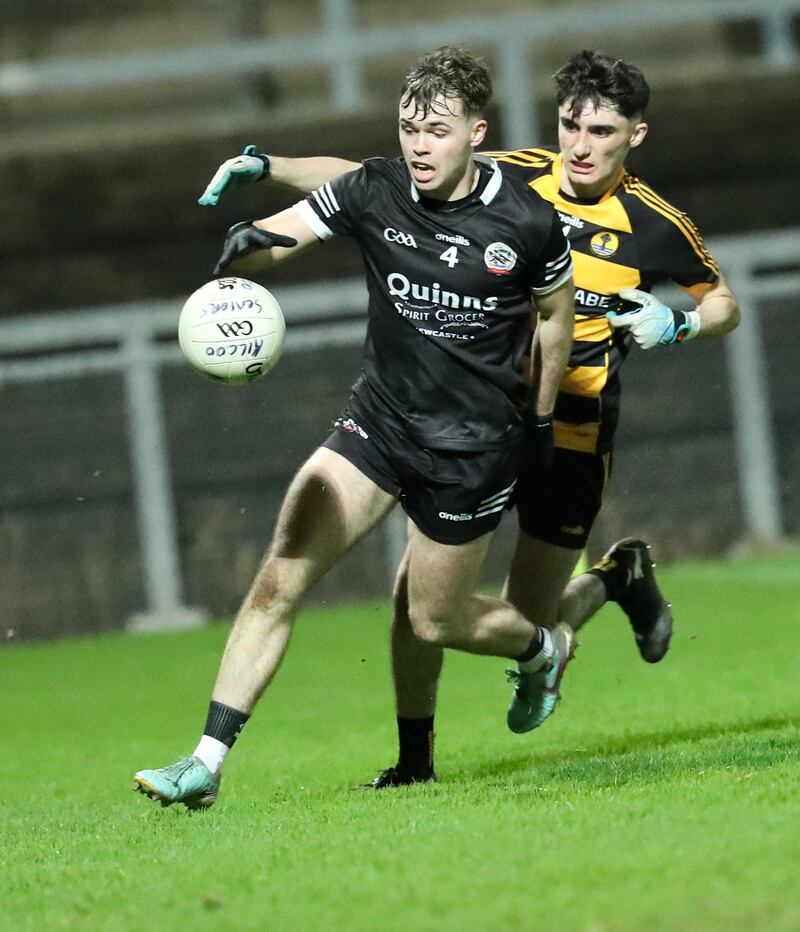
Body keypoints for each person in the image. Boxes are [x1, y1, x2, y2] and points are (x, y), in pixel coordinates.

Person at [196, 49, 741, 787]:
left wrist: (677, 325)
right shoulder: (512, 174)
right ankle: (415, 760)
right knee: (417, 598)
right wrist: (269, 167)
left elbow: (723, 303)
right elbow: (359, 181)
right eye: (570, 125)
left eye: (602, 132)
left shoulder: (655, 223)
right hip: (482, 418)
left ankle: (615, 578)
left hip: (571, 434)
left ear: (634, 137)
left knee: (528, 615)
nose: (580, 145)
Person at [133, 46, 576, 809]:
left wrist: (540, 423)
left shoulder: (527, 221)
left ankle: (544, 647)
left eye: (435, 129)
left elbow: (558, 318)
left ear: (478, 131)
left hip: (470, 449)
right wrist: (252, 246)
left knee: (432, 618)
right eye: (407, 127)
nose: (418, 144)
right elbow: (294, 226)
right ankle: (204, 762)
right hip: (379, 423)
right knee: (282, 571)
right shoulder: (380, 188)